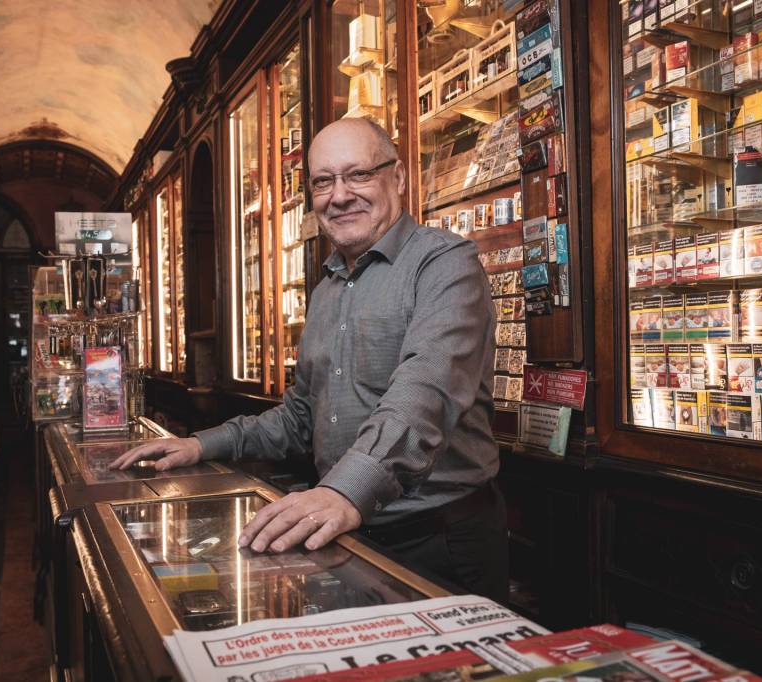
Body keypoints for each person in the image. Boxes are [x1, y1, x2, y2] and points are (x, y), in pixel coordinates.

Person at [111, 118, 506, 601]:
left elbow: (426, 393)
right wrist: (200, 445)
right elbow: (301, 415)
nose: (339, 196)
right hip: (347, 536)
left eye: (358, 174)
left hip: (440, 542)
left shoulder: (445, 263)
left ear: (398, 178)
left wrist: (344, 491)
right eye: (323, 181)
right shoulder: (325, 292)